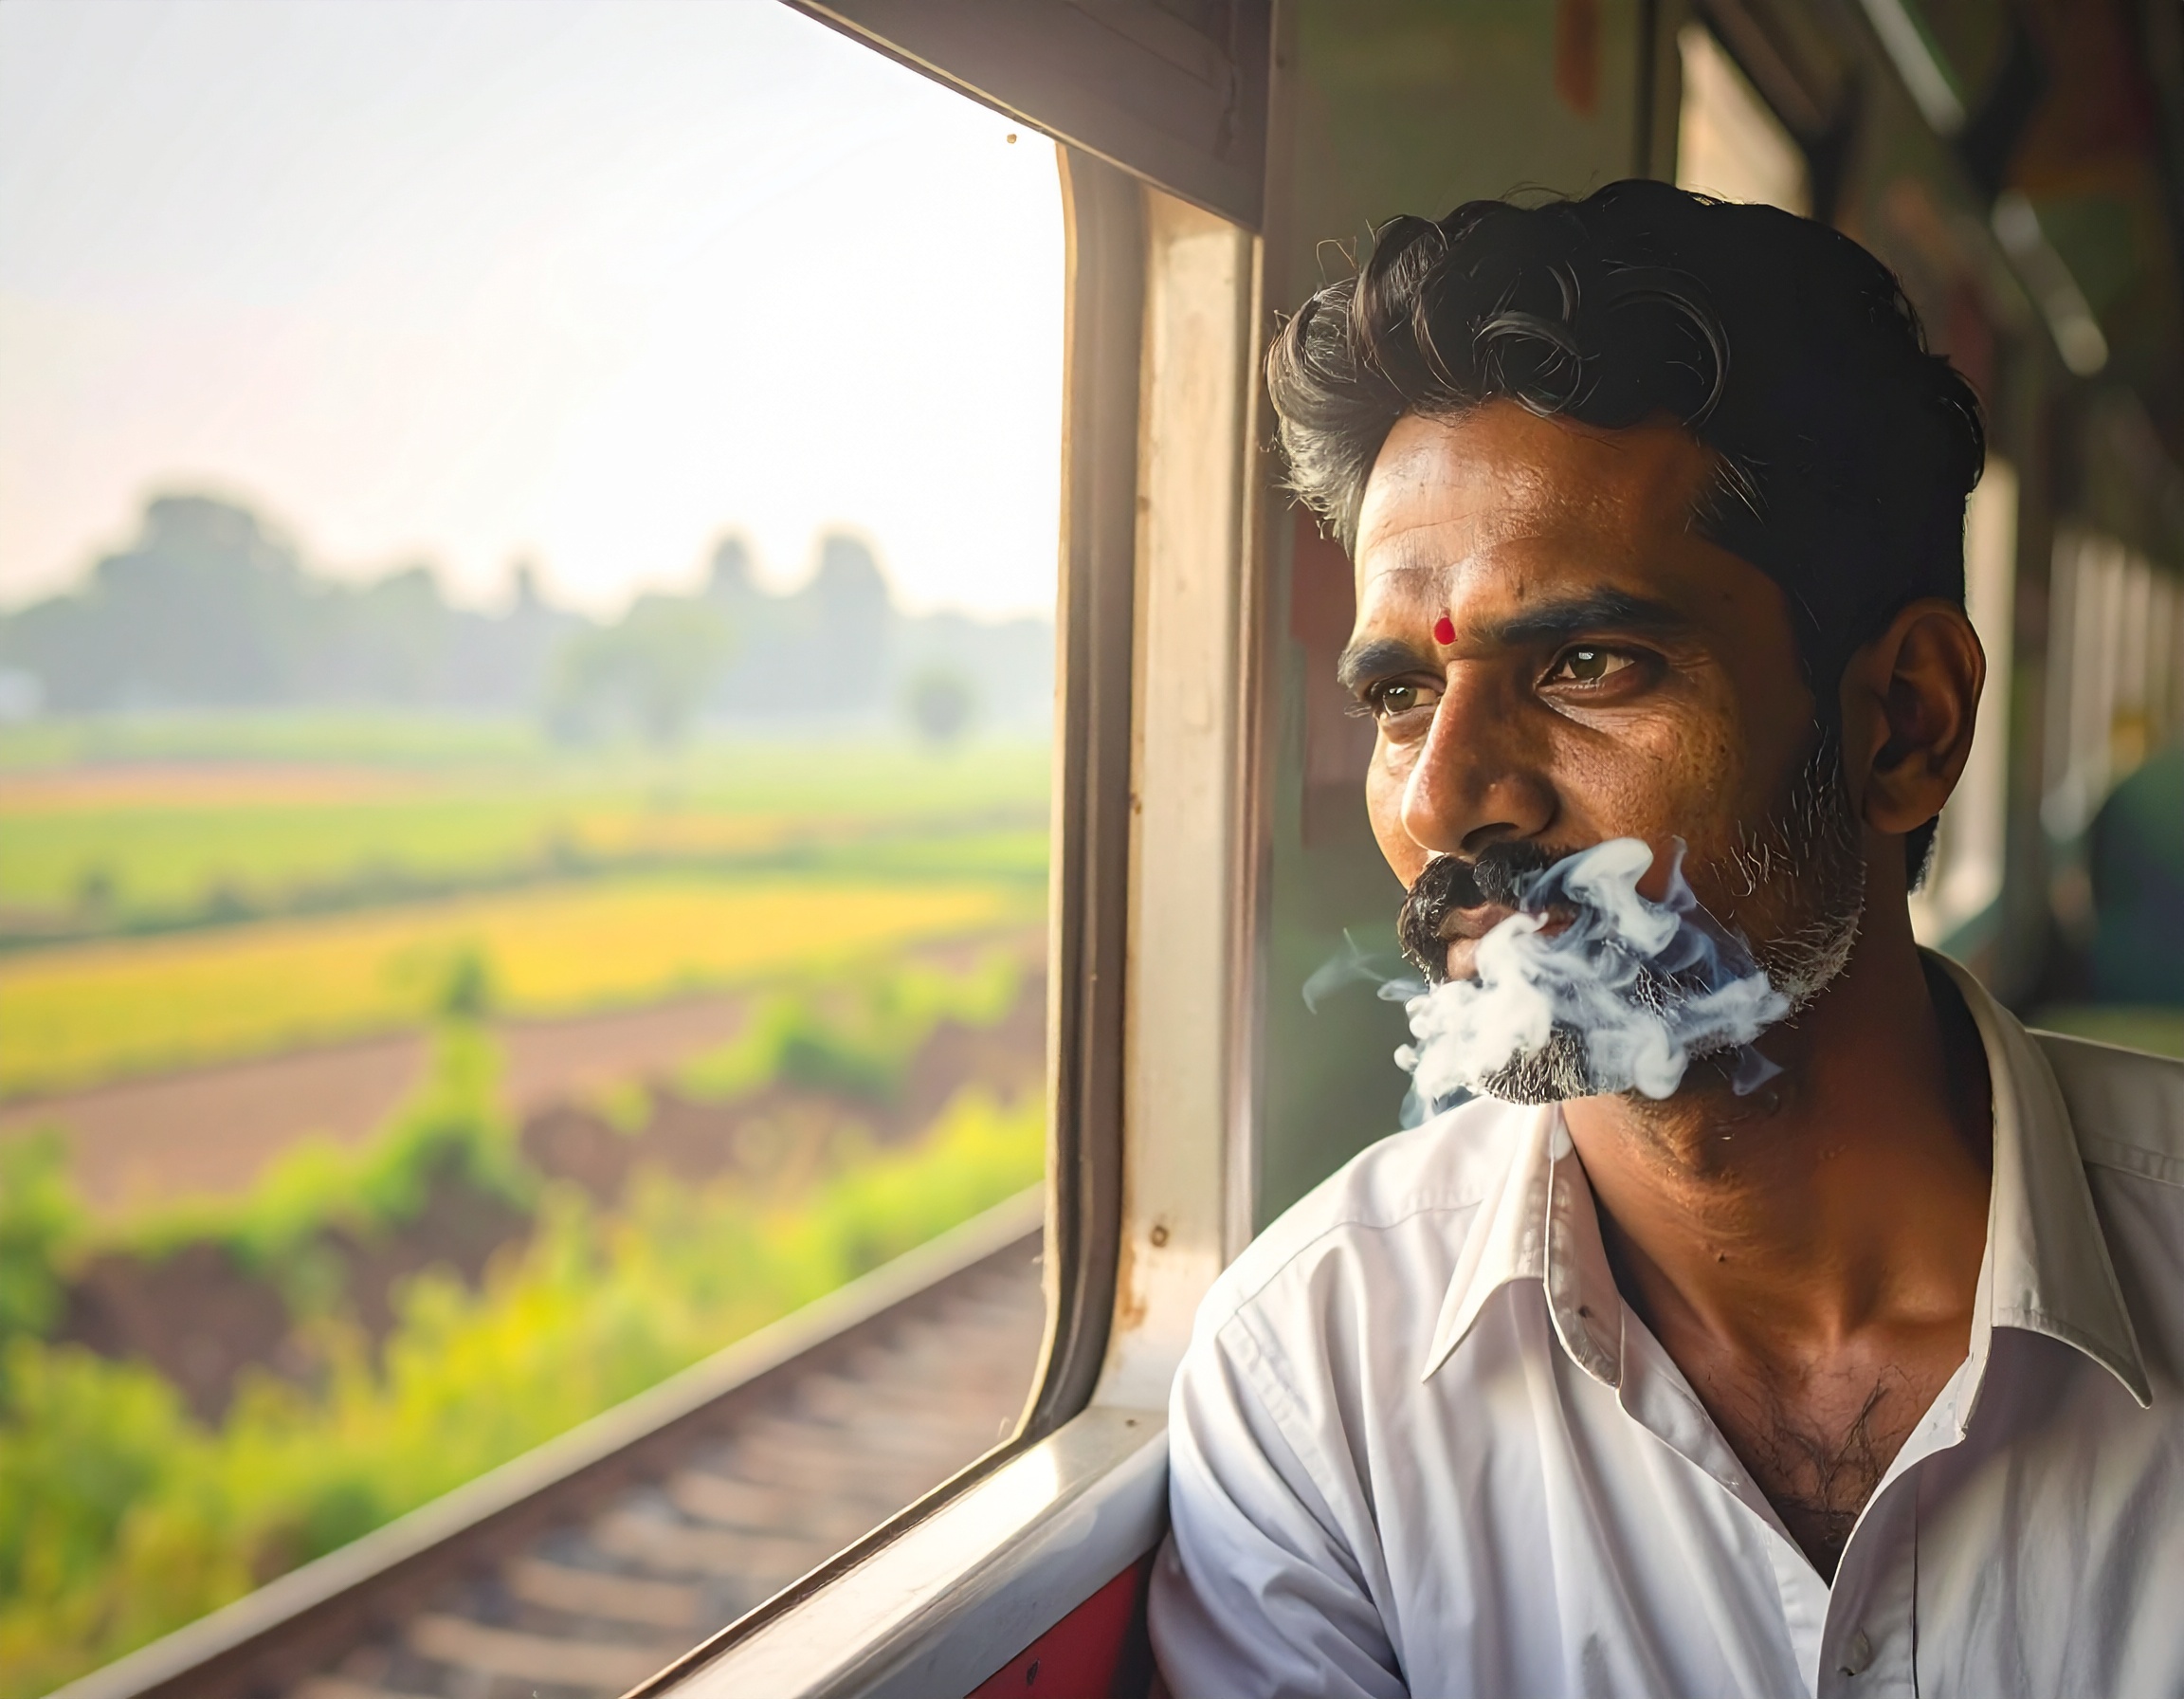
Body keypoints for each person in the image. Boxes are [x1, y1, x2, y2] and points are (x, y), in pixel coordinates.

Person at [1148, 180, 2184, 1697]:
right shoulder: (1314, 1382)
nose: (1443, 804)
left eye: (1586, 662)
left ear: (1906, 723)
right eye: (1400, 697)